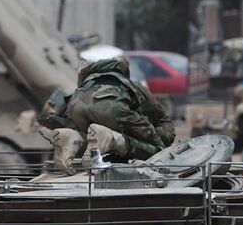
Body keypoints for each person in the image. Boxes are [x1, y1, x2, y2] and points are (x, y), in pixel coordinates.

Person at [40, 57, 175, 169]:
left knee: (97, 136)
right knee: (156, 149)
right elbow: (161, 119)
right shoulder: (134, 85)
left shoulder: (90, 80)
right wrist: (161, 141)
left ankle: (74, 138)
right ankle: (111, 138)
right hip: (111, 107)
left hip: (76, 105)